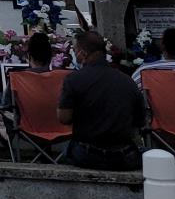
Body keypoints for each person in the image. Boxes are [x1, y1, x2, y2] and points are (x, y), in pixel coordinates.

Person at [57, 28, 146, 171]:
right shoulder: (127, 81)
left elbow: (64, 118)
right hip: (124, 156)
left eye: (75, 50)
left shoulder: (74, 79)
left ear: (83, 53)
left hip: (87, 154)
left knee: (65, 148)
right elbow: (140, 120)